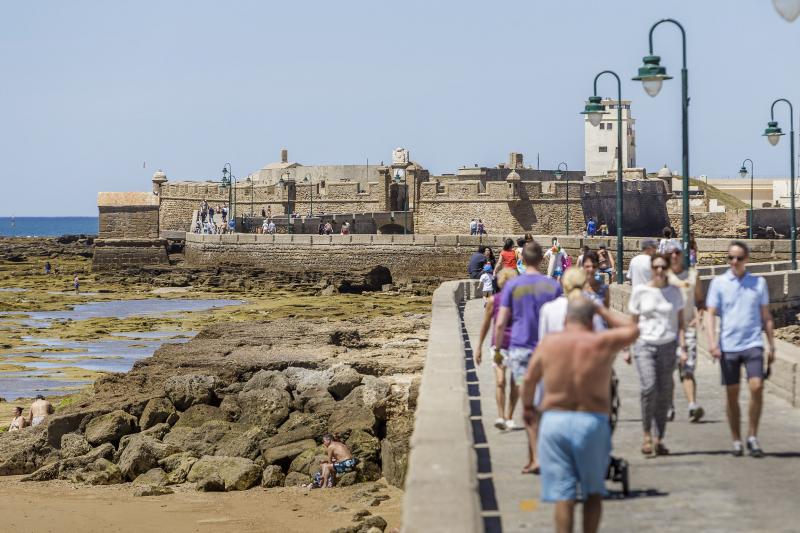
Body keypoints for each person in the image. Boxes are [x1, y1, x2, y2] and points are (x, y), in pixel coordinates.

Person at [522, 297, 639, 533]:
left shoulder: (549, 343)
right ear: (591, 319)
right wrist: (602, 310)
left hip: (555, 421)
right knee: (593, 493)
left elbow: (529, 379)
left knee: (563, 495)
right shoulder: (601, 342)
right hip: (591, 421)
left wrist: (527, 408)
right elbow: (633, 329)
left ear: (566, 319)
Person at [494, 241, 562, 474]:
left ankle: (535, 458)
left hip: (521, 351)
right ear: (542, 260)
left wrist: (496, 348)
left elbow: (502, 321)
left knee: (528, 404)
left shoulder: (513, 286)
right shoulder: (553, 286)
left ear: (522, 260)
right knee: (547, 401)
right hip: (548, 351)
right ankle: (547, 452)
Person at [705, 241, 774, 457]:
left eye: (739, 258)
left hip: (753, 343)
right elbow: (710, 314)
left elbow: (766, 316)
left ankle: (752, 435)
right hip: (728, 346)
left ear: (746, 259)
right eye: (731, 258)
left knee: (757, 387)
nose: (734, 262)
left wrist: (772, 344)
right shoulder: (719, 283)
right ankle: (736, 439)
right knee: (731, 395)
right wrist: (712, 343)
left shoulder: (758, 283)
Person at [628, 253, 685, 457]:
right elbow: (633, 321)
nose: (659, 270)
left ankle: (659, 437)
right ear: (651, 269)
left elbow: (680, 323)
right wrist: (627, 347)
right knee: (649, 388)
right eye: (656, 267)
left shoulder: (675, 292)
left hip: (668, 346)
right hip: (644, 345)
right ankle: (646, 435)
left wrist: (683, 348)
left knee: (664, 393)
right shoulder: (641, 291)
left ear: (667, 268)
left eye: (663, 267)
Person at [666, 241, 705, 423]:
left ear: (682, 254)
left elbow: (700, 300)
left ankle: (692, 406)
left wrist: (700, 316)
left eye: (677, 252)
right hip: (667, 330)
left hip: (688, 328)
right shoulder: (662, 276)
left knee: (687, 369)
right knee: (668, 372)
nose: (674, 256)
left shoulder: (693, 275)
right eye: (671, 253)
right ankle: (669, 406)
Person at [476, 269, 519, 430]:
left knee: (516, 384)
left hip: (517, 346)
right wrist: (479, 347)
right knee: (500, 381)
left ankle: (510, 416)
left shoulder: (520, 301)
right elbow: (486, 325)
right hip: (498, 346)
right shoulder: (494, 301)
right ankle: (501, 416)